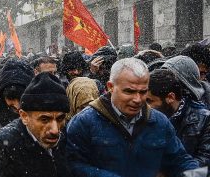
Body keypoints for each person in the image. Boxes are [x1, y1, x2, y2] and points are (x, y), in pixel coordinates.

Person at [66, 58, 199, 177]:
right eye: (129, 91)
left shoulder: (160, 122)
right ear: (110, 87)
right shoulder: (84, 122)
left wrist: (194, 174)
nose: (137, 99)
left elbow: (180, 161)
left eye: (143, 92)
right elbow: (73, 165)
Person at [0, 73, 71, 177]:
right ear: (24, 116)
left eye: (60, 118)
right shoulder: (4, 145)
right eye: (45, 119)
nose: (55, 130)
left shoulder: (63, 133)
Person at [148, 68, 210, 167]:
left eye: (149, 101)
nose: (145, 107)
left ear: (170, 97)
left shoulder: (205, 120)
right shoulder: (146, 118)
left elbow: (205, 160)